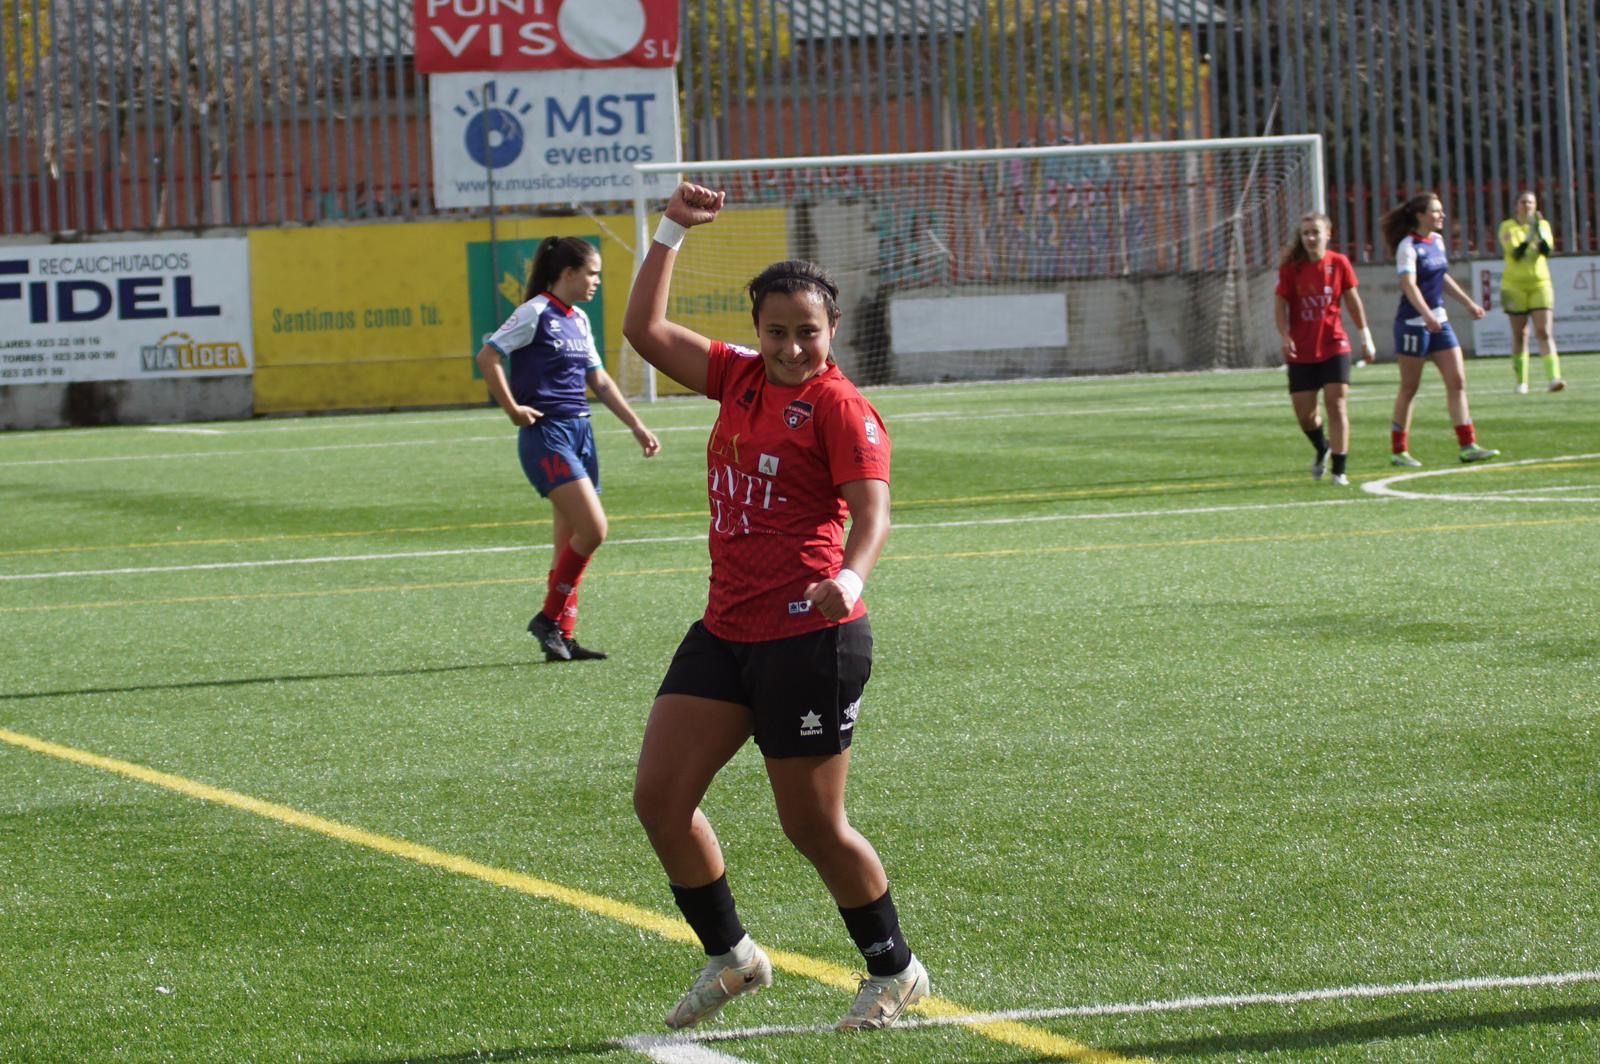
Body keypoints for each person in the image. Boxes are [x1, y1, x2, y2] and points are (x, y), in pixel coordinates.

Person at [622, 182, 927, 1033]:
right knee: (660, 798)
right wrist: (673, 228)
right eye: (778, 331)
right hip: (726, 628)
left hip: (812, 636)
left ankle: (894, 968)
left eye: (809, 332)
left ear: (833, 332)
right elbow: (643, 333)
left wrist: (853, 579)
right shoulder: (740, 379)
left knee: (811, 826)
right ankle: (734, 957)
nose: (793, 347)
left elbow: (873, 515)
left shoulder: (841, 408)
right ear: (757, 330)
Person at [475, 236, 660, 662]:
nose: (597, 281)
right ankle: (547, 618)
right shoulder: (534, 312)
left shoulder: (578, 319)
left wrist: (636, 425)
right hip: (547, 436)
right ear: (569, 273)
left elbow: (600, 381)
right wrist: (513, 410)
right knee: (594, 531)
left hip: (581, 433)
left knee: (569, 545)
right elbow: (488, 357)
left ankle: (562, 634)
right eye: (592, 273)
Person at [1379, 192, 1499, 467]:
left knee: (1457, 381)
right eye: (1436, 211)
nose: (1442, 215)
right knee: (1410, 387)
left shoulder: (1438, 242)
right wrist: (1425, 315)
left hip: (1439, 321)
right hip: (1412, 324)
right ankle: (1399, 450)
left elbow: (1441, 275)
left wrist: (1468, 303)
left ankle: (1468, 445)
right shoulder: (1407, 247)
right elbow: (1408, 285)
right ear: (1420, 215)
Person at [1274, 212, 1376, 487]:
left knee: (1337, 402)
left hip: (1334, 344)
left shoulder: (1340, 263)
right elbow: (1280, 306)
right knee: (1305, 416)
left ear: (1327, 234)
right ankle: (1322, 448)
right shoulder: (1291, 268)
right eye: (1305, 233)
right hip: (1302, 351)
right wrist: (1285, 336)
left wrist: (1365, 337)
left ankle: (1339, 470)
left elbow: (1353, 302)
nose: (1310, 238)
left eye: (1315, 232)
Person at [1498, 190, 1564, 393]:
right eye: (1523, 201)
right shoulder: (1507, 227)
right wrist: (1529, 235)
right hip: (1514, 286)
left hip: (1540, 283)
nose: (1526, 205)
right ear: (1516, 205)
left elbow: (1546, 250)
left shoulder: (1543, 226)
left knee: (1544, 331)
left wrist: (1537, 231)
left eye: (1531, 202)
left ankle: (1555, 378)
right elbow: (1516, 253)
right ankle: (1522, 382)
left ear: (1535, 206)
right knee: (1520, 334)